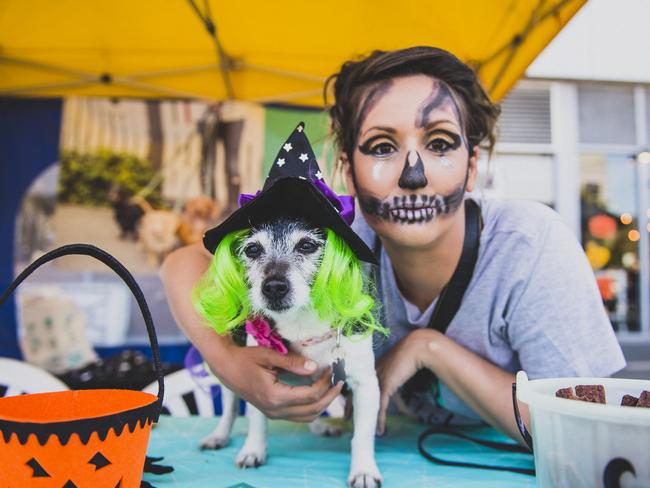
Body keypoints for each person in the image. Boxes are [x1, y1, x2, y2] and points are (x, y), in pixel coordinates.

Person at [160, 46, 625, 441]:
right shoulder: (337, 240)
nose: (413, 174)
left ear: (471, 165)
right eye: (382, 147)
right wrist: (226, 361)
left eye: (441, 143)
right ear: (347, 170)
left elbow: (586, 427)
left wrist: (429, 348)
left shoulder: (531, 247)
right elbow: (183, 263)